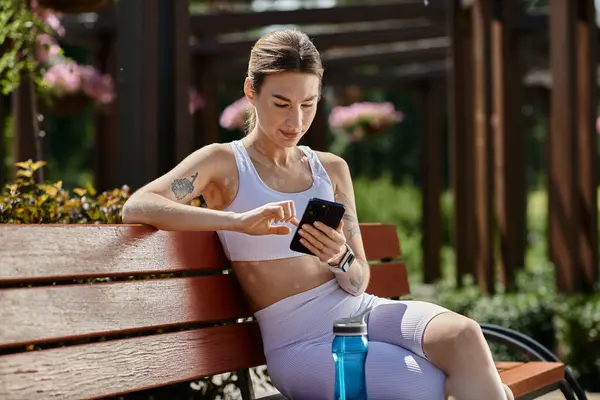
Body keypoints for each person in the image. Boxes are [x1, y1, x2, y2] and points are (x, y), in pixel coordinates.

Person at [122, 28, 514, 400]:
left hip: (360, 311)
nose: (295, 121)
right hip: (300, 342)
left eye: (308, 104)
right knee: (424, 383)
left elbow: (359, 280)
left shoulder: (332, 169)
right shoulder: (224, 164)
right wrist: (237, 222)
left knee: (464, 335)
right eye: (281, 104)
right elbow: (139, 205)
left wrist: (339, 256)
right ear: (250, 92)